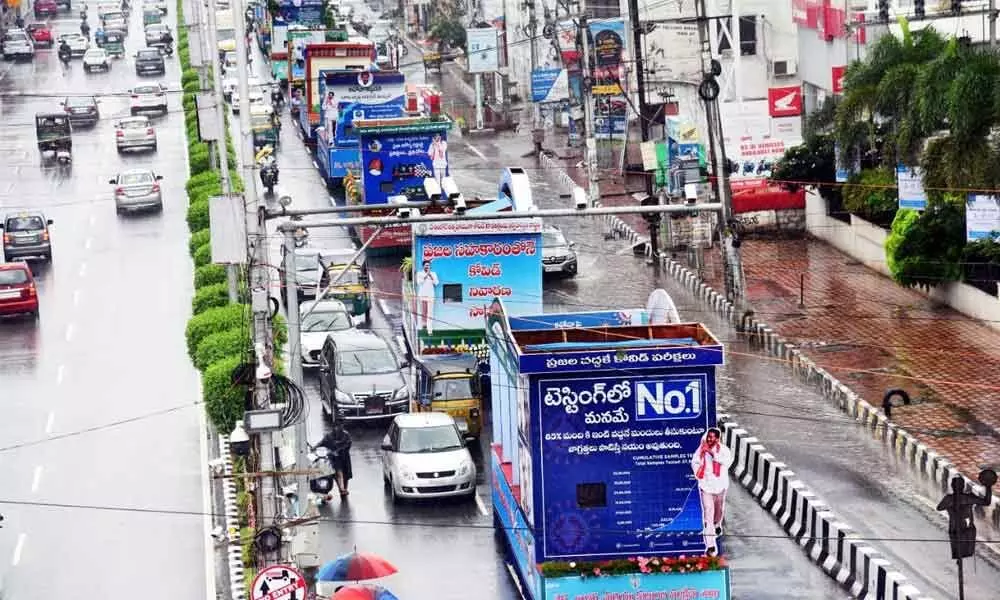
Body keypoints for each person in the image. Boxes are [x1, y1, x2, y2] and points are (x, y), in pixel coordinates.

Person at [690, 427, 732, 556]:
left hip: (720, 486)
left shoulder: (724, 451)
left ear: (718, 439)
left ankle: (717, 524)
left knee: (718, 512)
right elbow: (694, 463)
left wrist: (713, 454)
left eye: (712, 437)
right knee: (708, 514)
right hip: (706, 487)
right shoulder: (701, 450)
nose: (709, 439)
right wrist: (699, 472)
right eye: (709, 436)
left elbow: (727, 462)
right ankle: (711, 546)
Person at [317, 421, 352, 497]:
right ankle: (342, 489)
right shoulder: (329, 436)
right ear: (334, 427)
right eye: (337, 426)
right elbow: (322, 443)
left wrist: (339, 450)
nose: (338, 428)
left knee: (346, 476)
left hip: (344, 458)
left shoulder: (346, 435)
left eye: (340, 426)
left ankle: (343, 490)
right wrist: (314, 447)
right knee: (338, 473)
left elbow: (348, 445)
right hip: (335, 459)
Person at [415, 260, 438, 335]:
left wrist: (430, 276)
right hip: (422, 295)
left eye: (428, 265)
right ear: (423, 266)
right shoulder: (419, 273)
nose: (427, 267)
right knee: (421, 312)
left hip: (430, 295)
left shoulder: (433, 274)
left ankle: (429, 329)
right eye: (426, 265)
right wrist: (426, 275)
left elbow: (436, 283)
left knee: (430, 313)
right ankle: (420, 327)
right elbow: (419, 282)